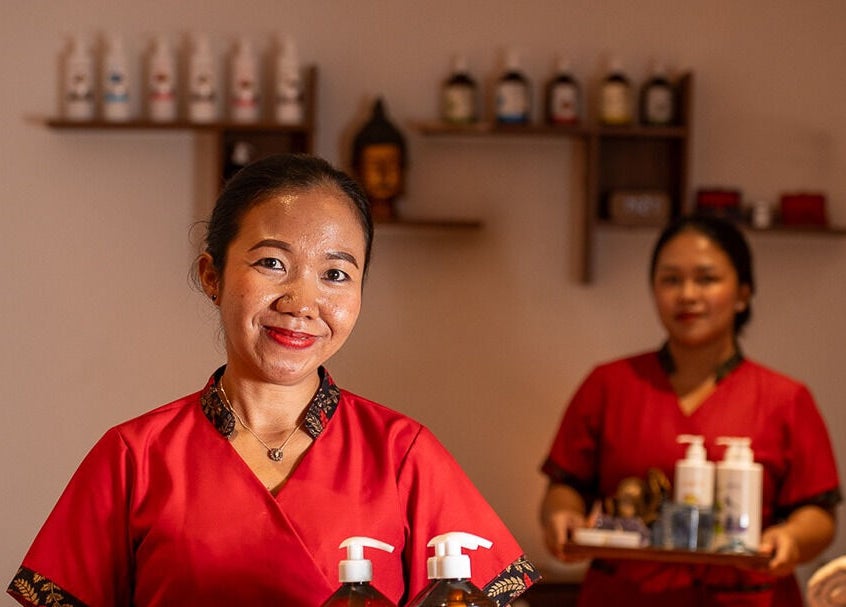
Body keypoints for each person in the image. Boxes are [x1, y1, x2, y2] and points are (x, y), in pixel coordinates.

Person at [8, 153, 539, 607]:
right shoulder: (133, 457)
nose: (302, 303)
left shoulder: (404, 454)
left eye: (335, 274)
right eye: (271, 263)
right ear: (212, 276)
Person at [540, 214, 841, 607]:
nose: (687, 295)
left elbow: (817, 512)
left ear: (743, 293)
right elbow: (565, 487)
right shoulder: (609, 385)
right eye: (670, 280)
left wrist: (792, 539)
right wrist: (561, 519)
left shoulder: (785, 398)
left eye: (706, 278)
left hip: (747, 597)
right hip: (627, 597)